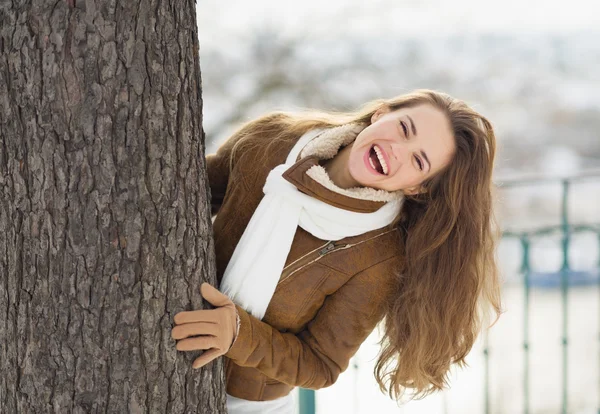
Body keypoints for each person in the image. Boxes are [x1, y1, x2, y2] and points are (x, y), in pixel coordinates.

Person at [170, 89, 503, 414]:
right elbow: (188, 192)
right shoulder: (271, 138)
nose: (396, 151)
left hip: (245, 404)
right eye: (404, 129)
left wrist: (240, 335)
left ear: (417, 187)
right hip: (167, 338)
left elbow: (320, 364)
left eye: (418, 160)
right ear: (381, 113)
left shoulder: (379, 257)